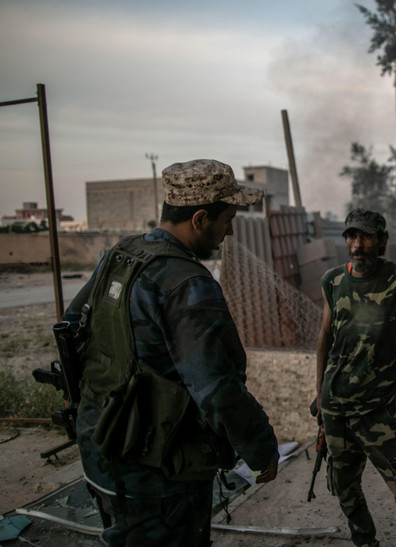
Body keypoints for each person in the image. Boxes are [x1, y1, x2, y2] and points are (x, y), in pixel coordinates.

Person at [65, 159, 280, 546]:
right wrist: (261, 448)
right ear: (199, 219)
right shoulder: (188, 284)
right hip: (157, 471)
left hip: (100, 446)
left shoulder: (121, 254)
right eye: (227, 220)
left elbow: (72, 328)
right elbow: (217, 389)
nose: (229, 232)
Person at [316, 208, 396, 547]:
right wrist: (319, 395)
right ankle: (365, 541)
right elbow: (325, 337)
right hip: (336, 406)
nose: (358, 244)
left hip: (379, 407)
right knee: (344, 486)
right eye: (352, 236)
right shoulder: (332, 281)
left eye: (366, 237)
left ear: (381, 241)